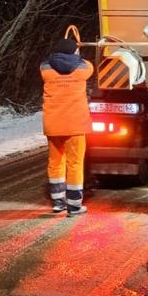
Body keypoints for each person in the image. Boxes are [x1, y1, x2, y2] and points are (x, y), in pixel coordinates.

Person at [40, 36, 94, 215]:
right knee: (75, 163)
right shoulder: (83, 68)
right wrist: (77, 53)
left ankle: (58, 202)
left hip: (53, 124)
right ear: (74, 52)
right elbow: (89, 65)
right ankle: (74, 205)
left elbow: (47, 63)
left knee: (55, 162)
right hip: (75, 124)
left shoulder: (45, 68)